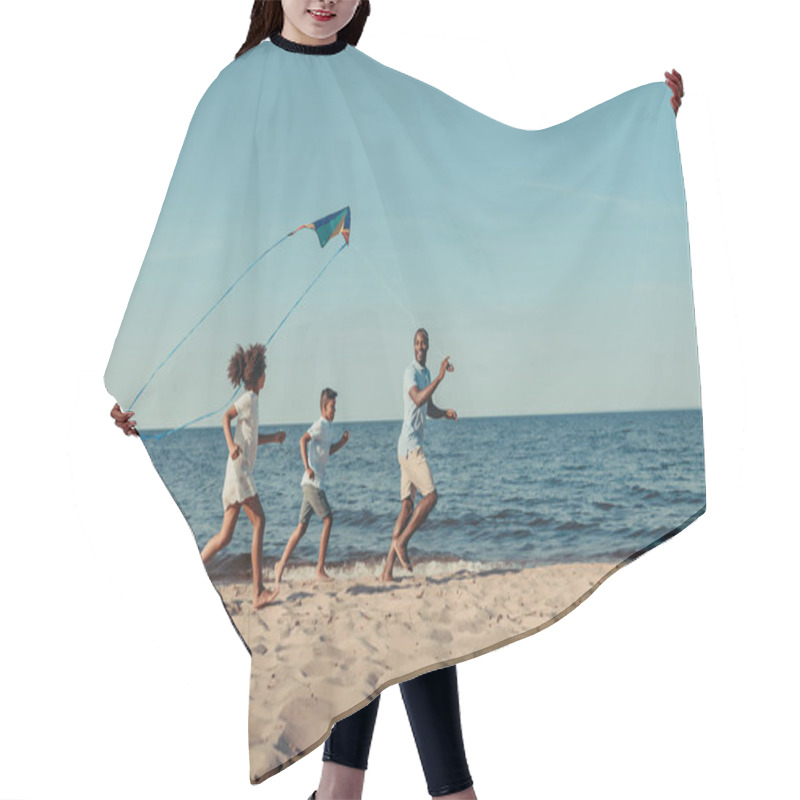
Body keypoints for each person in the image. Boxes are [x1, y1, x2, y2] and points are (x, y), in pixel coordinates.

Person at [109, 2, 685, 797]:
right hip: (307, 345)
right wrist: (144, 384)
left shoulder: (376, 87)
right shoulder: (235, 90)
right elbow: (194, 237)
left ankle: (354, 789)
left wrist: (637, 124)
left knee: (379, 622)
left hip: (367, 329)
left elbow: (491, 161)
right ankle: (431, 791)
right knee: (379, 623)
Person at [200, 343, 287, 609]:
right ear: (260, 376)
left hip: (235, 473)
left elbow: (250, 440)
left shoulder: (254, 402)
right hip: (239, 473)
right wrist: (230, 445)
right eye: (265, 372)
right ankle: (258, 592)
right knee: (260, 521)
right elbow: (225, 417)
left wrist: (273, 438)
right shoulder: (249, 399)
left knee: (225, 537)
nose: (266, 377)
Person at [382, 329, 457, 583]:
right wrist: (439, 378)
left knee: (406, 508)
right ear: (413, 347)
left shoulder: (424, 374)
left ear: (428, 346)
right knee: (432, 496)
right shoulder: (411, 373)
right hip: (410, 447)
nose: (420, 346)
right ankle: (402, 542)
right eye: (417, 342)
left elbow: (428, 406)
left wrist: (444, 412)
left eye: (424, 342)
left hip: (407, 447)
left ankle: (386, 571)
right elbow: (416, 398)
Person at [273, 387, 350, 590]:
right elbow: (302, 439)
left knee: (301, 528)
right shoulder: (321, 424)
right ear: (324, 408)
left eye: (335, 407)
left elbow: (327, 451)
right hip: (313, 483)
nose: (335, 410)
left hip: (310, 484)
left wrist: (341, 442)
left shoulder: (328, 428)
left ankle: (280, 565)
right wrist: (307, 466)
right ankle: (319, 569)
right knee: (328, 519)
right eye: (332, 407)